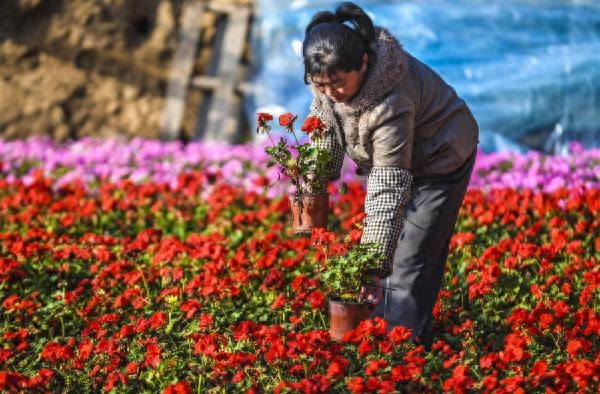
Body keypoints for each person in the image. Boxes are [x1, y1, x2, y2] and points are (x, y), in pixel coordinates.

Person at [303, 1, 479, 349]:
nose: (329, 92)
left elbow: (387, 187)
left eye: (336, 83)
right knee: (393, 254)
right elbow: (323, 127)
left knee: (409, 258)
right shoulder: (328, 79)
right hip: (404, 159)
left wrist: (373, 267)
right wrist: (312, 182)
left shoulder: (390, 101)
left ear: (364, 64)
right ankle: (384, 335)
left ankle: (401, 353)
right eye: (320, 84)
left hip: (440, 158)